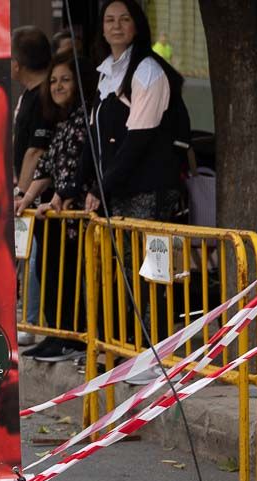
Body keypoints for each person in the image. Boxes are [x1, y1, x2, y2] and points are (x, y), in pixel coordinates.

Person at [84, 0, 185, 379]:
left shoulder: (148, 71)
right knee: (123, 273)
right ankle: (130, 351)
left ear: (137, 26)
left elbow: (138, 139)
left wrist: (102, 187)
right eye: (109, 19)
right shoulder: (105, 73)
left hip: (148, 190)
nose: (116, 26)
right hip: (119, 191)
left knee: (152, 275)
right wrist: (82, 185)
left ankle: (157, 356)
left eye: (124, 19)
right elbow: (93, 137)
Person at [17, 51, 93, 362]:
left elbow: (80, 168)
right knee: (49, 275)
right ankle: (56, 334)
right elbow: (46, 167)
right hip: (54, 213)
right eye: (53, 81)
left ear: (79, 83)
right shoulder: (61, 122)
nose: (58, 86)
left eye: (65, 80)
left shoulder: (85, 118)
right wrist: (26, 198)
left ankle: (71, 337)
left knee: (69, 279)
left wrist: (63, 196)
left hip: (74, 216)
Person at [11, 26, 53, 345]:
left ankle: (32, 320)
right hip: (26, 193)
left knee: (35, 256)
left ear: (17, 63)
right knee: (27, 255)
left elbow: (35, 151)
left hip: (40, 197)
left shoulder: (43, 97)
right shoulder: (27, 96)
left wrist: (21, 192)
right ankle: (27, 316)